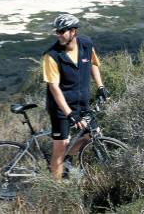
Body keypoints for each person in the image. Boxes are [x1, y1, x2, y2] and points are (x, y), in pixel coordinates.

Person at [42, 14, 110, 180]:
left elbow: (93, 64)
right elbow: (54, 88)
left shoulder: (86, 44)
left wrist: (100, 86)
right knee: (61, 145)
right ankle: (56, 190)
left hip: (82, 104)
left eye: (62, 31)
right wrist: (69, 114)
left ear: (73, 31)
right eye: (57, 31)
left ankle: (66, 159)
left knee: (93, 135)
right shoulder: (51, 56)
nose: (58, 34)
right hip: (60, 107)